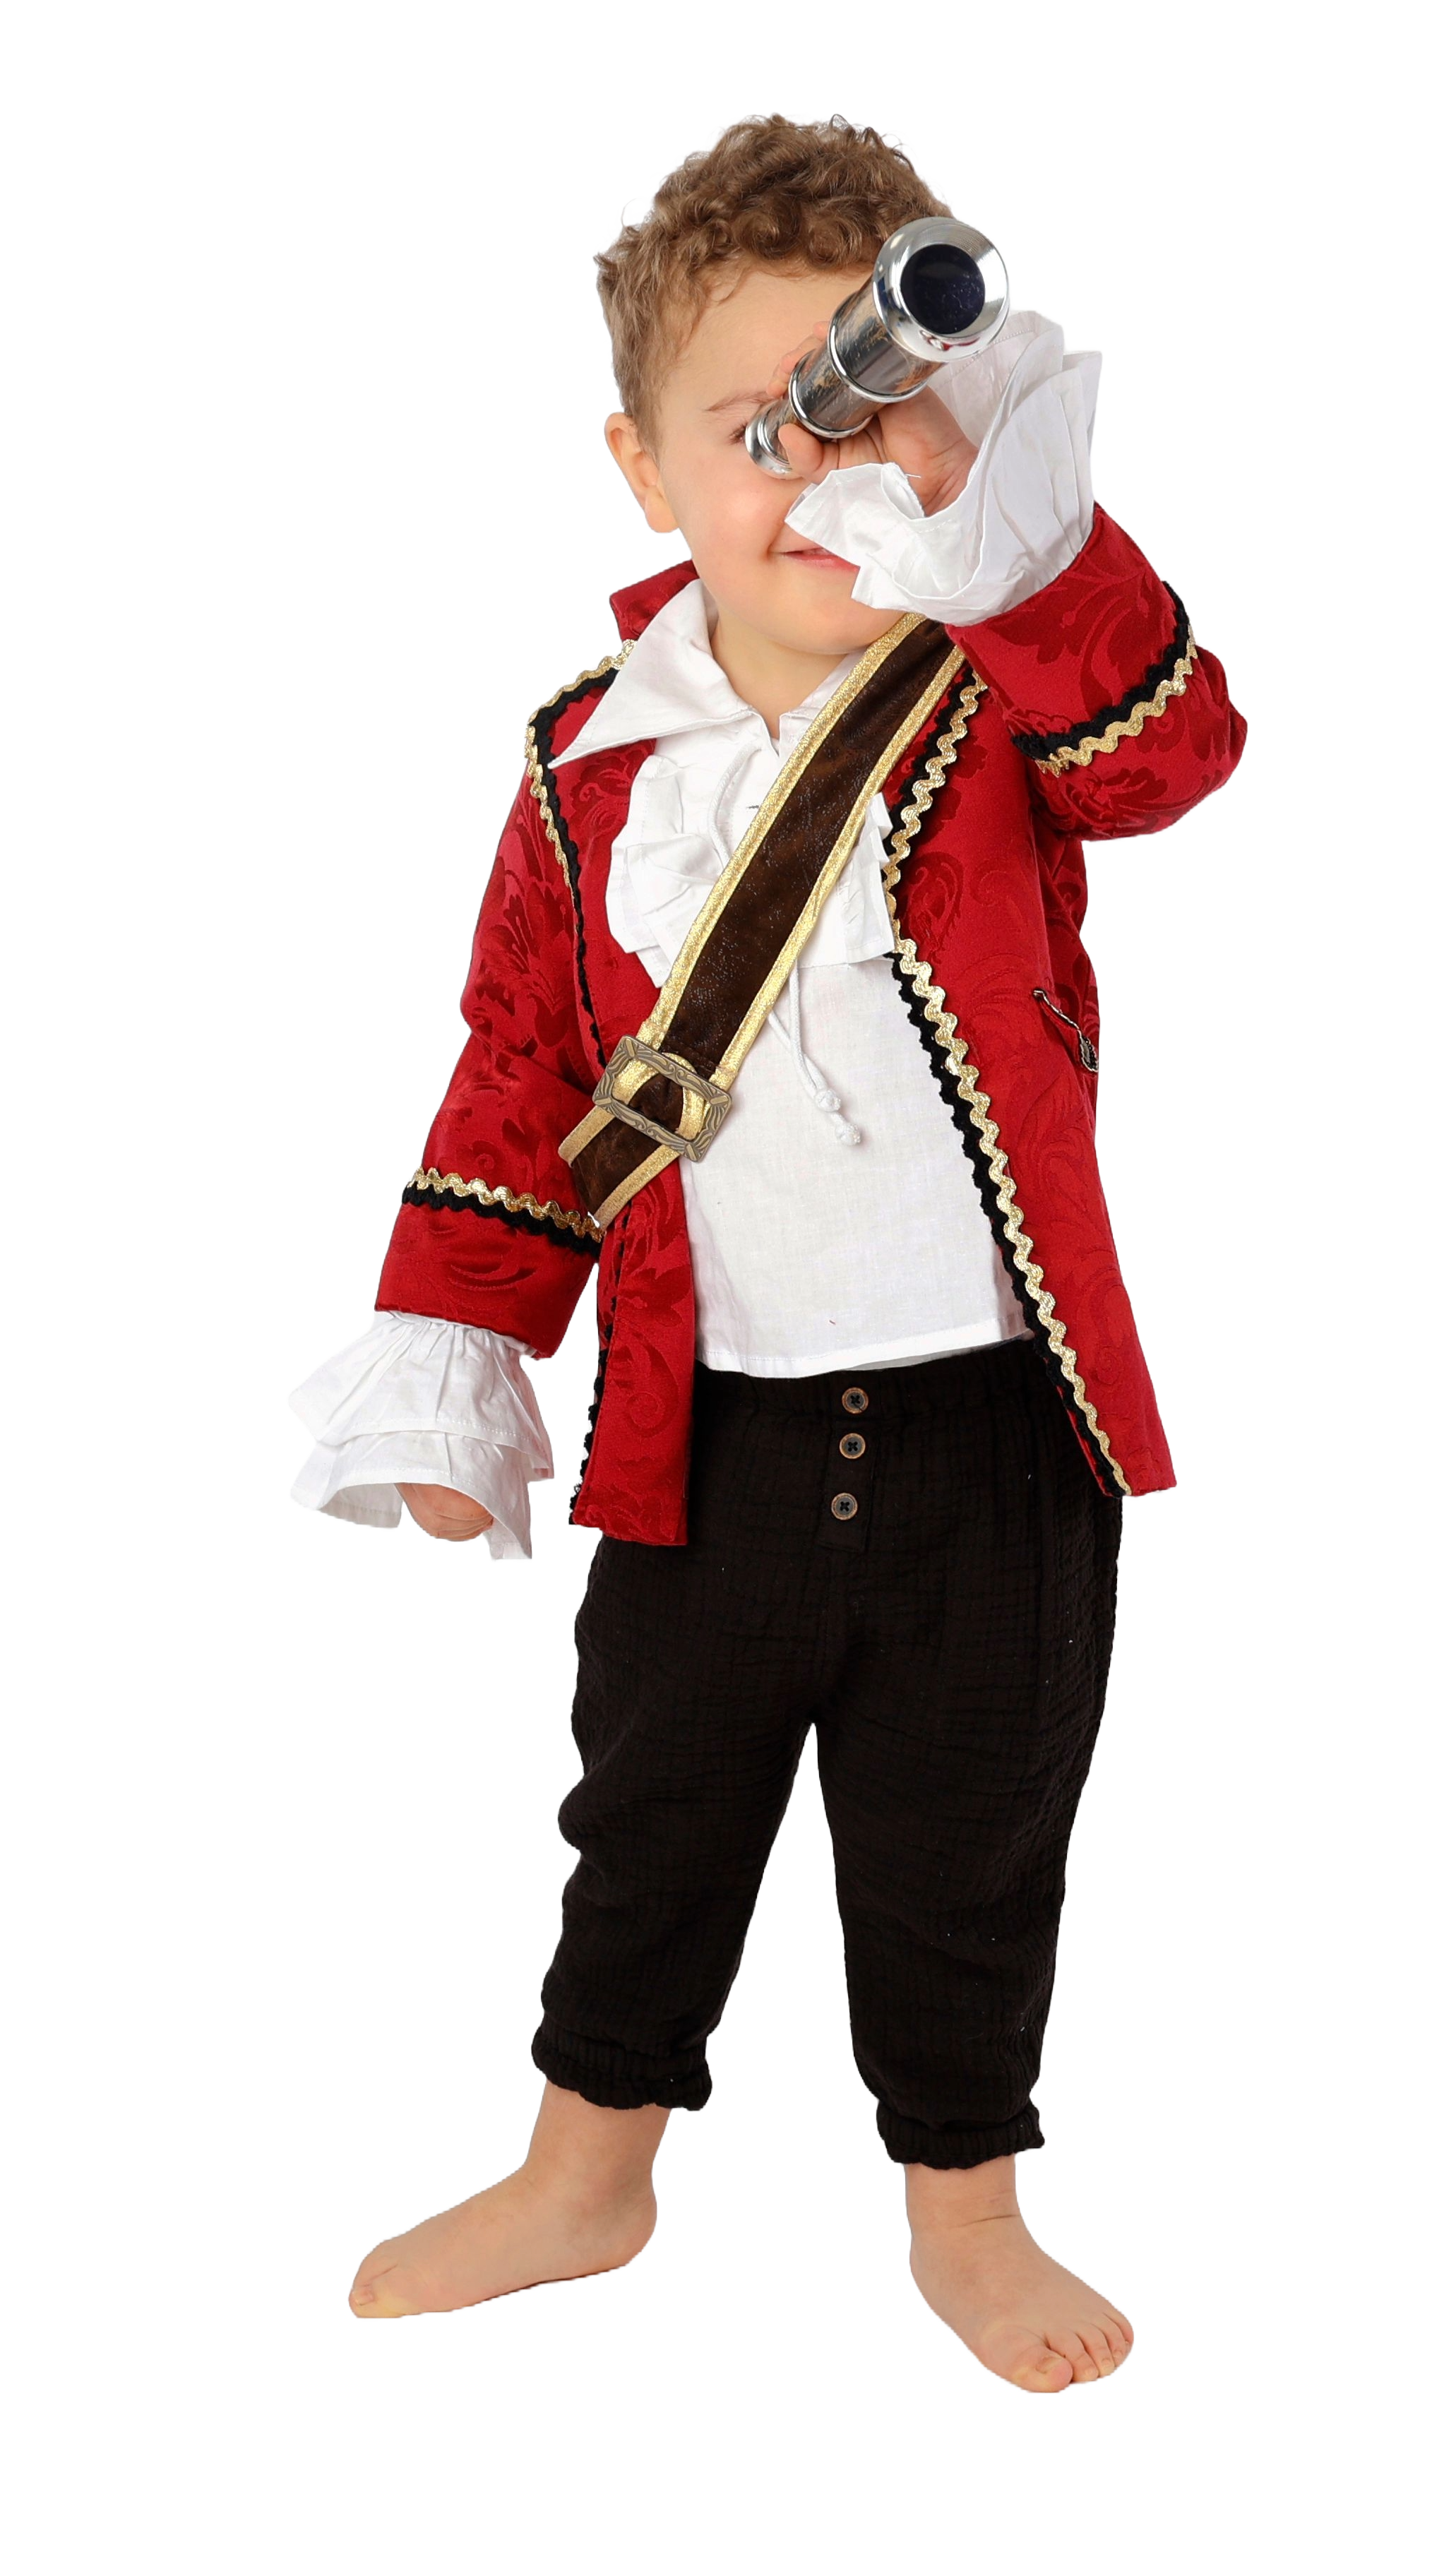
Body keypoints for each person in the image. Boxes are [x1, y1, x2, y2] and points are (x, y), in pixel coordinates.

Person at [290, 111, 1245, 2392]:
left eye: (870, 407)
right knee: (650, 1817)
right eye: (756, 428)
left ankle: (965, 2208)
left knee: (965, 1837)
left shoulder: (996, 695)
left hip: (992, 1429)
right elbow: (520, 1073)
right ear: (638, 470)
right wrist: (456, 1355)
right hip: (699, 1430)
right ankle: (585, 2170)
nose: (819, 470)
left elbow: (1169, 757)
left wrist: (1014, 538)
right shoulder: (582, 774)